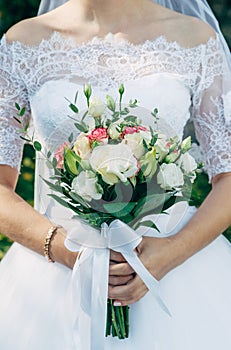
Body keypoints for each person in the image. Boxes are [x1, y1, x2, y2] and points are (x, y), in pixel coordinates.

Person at [0, 0, 231, 349]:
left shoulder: (195, 39)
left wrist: (169, 254)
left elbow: (228, 176)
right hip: (54, 279)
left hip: (176, 271)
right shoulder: (23, 44)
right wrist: (68, 252)